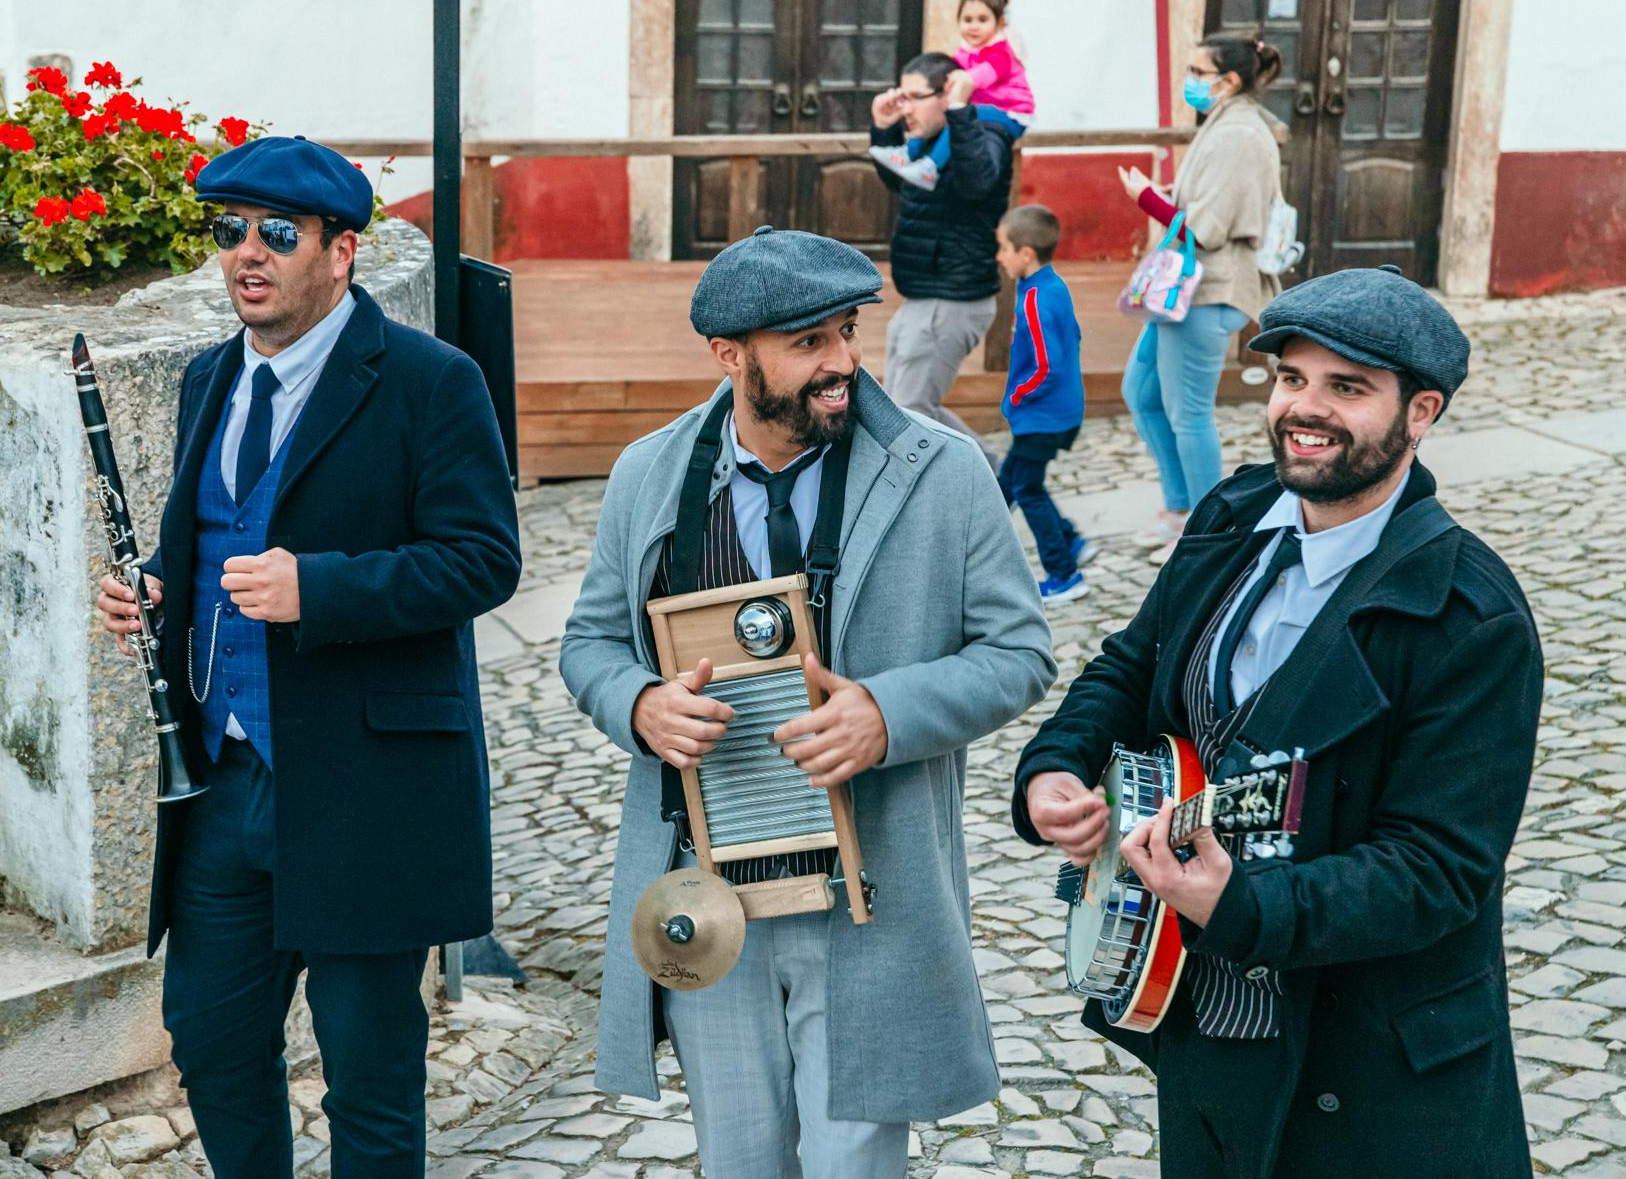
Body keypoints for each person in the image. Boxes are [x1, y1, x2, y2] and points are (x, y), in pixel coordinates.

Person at [1011, 267, 1542, 1177]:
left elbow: (1438, 869)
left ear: (1421, 412)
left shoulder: (1471, 616)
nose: (1306, 408)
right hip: (1203, 1017)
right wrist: (1057, 764)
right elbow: (1132, 663)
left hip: (1366, 1066)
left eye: (1348, 388)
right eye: (1293, 377)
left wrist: (1243, 905)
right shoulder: (1235, 513)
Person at [561, 226, 1056, 1177]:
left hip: (869, 899)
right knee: (739, 1160)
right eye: (808, 343)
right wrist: (639, 704)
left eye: (847, 332)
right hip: (708, 896)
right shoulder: (645, 474)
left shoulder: (943, 470)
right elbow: (588, 645)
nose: (842, 363)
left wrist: (888, 713)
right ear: (729, 355)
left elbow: (1021, 651)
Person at [94, 136, 522, 1177]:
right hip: (224, 782)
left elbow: (483, 560)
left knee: (369, 1076)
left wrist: (317, 590)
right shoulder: (209, 378)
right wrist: (154, 584)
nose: (248, 252)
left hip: (365, 786)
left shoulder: (431, 380)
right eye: (230, 230)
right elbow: (211, 535)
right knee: (211, 1041)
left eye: (278, 233)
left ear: (341, 251)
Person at [1118, 31, 1286, 565]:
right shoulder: (1225, 122)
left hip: (1208, 291)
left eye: (1197, 72)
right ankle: (1178, 507)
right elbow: (1207, 205)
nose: (1189, 80)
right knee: (1141, 392)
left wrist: (1147, 198)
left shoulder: (1238, 133)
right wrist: (1170, 197)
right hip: (1183, 291)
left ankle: (1205, 530)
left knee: (1188, 414)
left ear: (1228, 80)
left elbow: (1206, 230)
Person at [868, 53, 1015, 465]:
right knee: (905, 408)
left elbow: (978, 183)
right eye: (902, 96)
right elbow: (899, 181)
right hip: (923, 294)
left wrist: (961, 112)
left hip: (953, 298)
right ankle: (996, 475)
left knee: (910, 412)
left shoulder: (983, 132)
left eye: (916, 98)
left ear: (947, 94)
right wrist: (883, 130)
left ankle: (992, 481)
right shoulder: (930, 138)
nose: (905, 108)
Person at [993, 203, 1093, 603]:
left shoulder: (1035, 297)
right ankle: (1070, 541)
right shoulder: (1052, 285)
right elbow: (1075, 337)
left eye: (1003, 248)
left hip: (1042, 416)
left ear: (1026, 254)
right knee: (1012, 482)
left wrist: (1018, 394)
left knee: (1026, 488)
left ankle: (1064, 574)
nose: (999, 256)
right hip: (1055, 412)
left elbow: (1046, 365)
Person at [871, 0, 1035, 190]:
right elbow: (897, 184)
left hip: (1010, 113)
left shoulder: (1001, 53)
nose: (974, 26)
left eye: (982, 20)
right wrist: (883, 130)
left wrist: (962, 83)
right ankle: (906, 153)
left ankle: (931, 166)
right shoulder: (965, 53)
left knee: (958, 115)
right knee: (951, 117)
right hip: (983, 109)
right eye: (967, 19)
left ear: (999, 23)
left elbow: (985, 74)